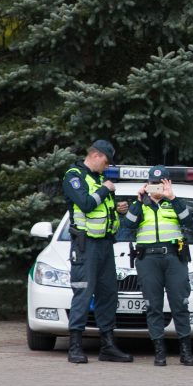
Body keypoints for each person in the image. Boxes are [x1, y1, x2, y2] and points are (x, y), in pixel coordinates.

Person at [62, 140, 134, 364]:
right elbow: (84, 203)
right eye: (106, 161)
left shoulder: (100, 179)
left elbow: (103, 210)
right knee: (83, 293)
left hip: (105, 245)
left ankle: (108, 346)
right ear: (96, 155)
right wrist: (105, 190)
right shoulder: (74, 176)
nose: (107, 165)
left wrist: (118, 209)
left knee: (108, 294)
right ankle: (75, 346)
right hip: (86, 246)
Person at [122, 165, 193, 366]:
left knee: (180, 304)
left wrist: (172, 197)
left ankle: (186, 352)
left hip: (174, 258)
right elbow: (128, 225)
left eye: (161, 183)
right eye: (153, 183)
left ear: (168, 183)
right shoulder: (140, 205)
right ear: (147, 184)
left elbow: (189, 222)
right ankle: (159, 352)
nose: (157, 187)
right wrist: (138, 200)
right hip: (148, 260)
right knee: (153, 306)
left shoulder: (175, 203)